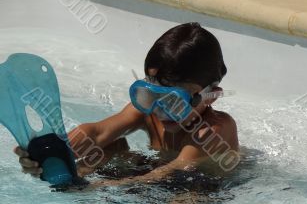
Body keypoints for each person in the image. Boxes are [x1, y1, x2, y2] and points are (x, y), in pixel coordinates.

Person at [14, 22, 239, 189]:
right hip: (154, 176)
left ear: (211, 96)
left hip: (200, 186)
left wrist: (98, 187)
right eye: (151, 94)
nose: (160, 109)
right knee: (105, 150)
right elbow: (97, 132)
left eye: (174, 101)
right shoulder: (149, 112)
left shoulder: (215, 130)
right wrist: (50, 154)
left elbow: (173, 171)